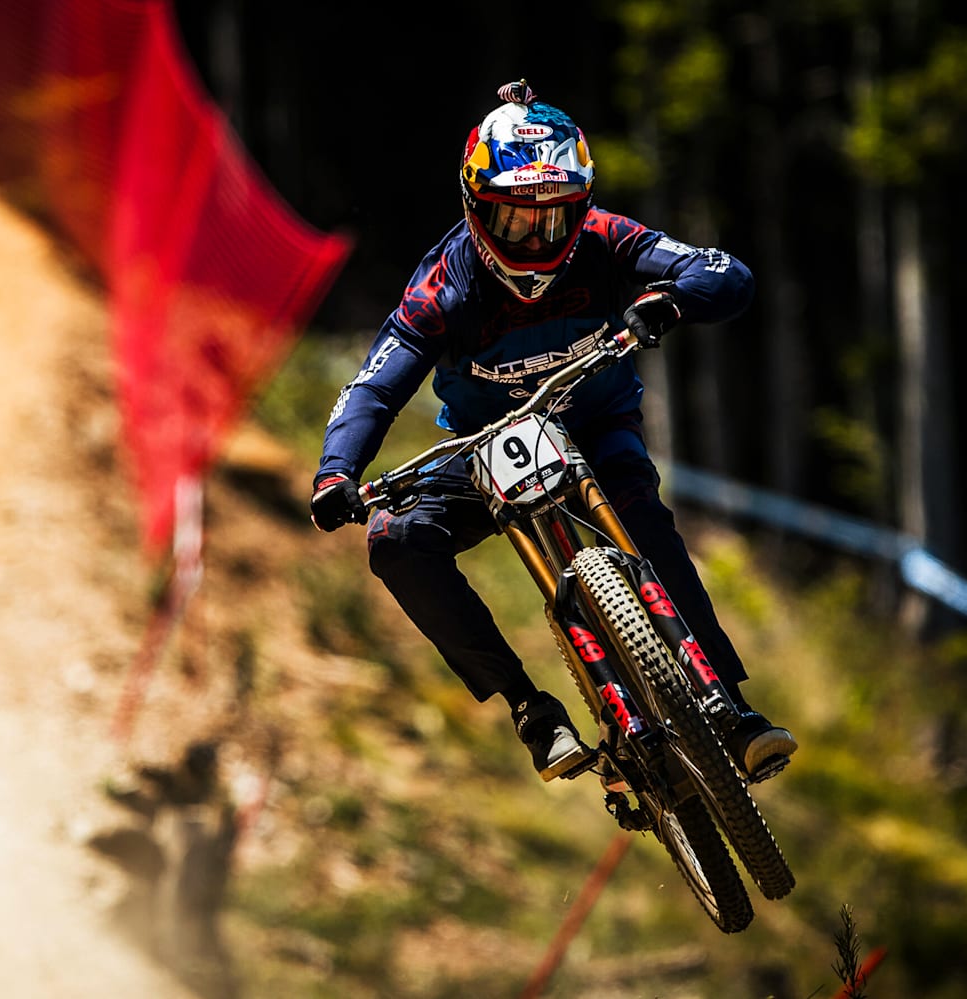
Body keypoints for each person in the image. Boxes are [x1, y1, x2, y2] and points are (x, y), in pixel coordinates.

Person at [308, 80, 797, 784]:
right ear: (476, 209)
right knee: (396, 537)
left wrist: (670, 299)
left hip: (597, 427)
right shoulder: (440, 288)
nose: (537, 239)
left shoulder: (604, 236)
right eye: (514, 222)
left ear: (583, 202)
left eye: (555, 217)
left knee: (647, 527)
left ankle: (731, 708)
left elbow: (724, 272)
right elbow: (375, 386)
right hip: (485, 448)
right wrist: (336, 471)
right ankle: (530, 709)